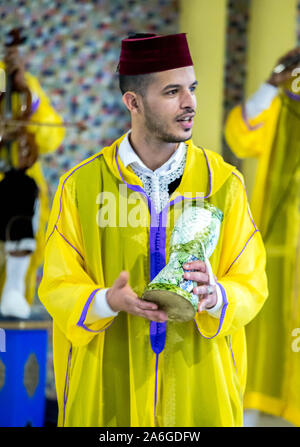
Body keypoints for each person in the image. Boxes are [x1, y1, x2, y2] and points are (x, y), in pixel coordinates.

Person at [38, 33, 268, 427]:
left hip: (199, 388)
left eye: (192, 88)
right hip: (107, 384)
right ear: (134, 102)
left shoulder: (224, 184)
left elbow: (252, 282)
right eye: (173, 91)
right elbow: (57, 284)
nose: (190, 102)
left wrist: (216, 295)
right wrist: (105, 301)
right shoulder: (82, 186)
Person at [224, 47, 300, 426]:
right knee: (265, 346)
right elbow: (241, 135)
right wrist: (273, 85)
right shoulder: (289, 105)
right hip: (280, 250)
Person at [0, 45, 65, 319]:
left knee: (22, 201)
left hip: (18, 188)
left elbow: (52, 137)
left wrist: (29, 103)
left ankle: (13, 292)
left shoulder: (22, 87)